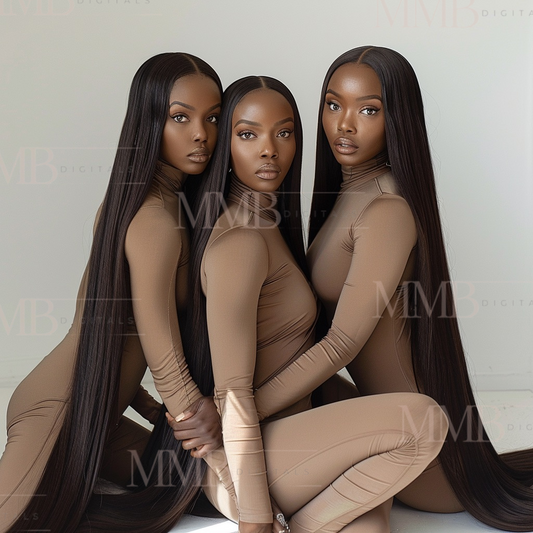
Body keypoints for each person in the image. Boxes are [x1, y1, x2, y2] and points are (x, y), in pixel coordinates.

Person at [245, 46, 533, 532]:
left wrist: (239, 410)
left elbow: (342, 344)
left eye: (369, 110)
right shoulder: (348, 195)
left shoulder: (387, 211)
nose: (345, 125)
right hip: (379, 422)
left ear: (397, 118)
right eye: (333, 105)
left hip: (423, 459)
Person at [183, 75, 448, 533]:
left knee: (371, 528)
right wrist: (255, 517)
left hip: (297, 435)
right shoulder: (241, 242)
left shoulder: (269, 222)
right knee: (423, 419)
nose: (269, 149)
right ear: (224, 143)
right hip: (252, 454)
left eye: (284, 133)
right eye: (248, 135)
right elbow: (233, 395)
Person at [0, 52, 224, 533]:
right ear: (148, 121)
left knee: (199, 486)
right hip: (56, 413)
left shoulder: (157, 203)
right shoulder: (154, 219)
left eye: (212, 118)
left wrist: (155, 415)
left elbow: (124, 342)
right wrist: (197, 425)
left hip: (99, 425)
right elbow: (160, 347)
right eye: (179, 117)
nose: (201, 134)